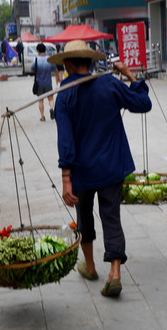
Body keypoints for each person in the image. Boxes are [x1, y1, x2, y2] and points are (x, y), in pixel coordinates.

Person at [48, 40, 152, 297]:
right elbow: (142, 103)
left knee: (84, 217)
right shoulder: (109, 84)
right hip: (111, 168)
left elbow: (65, 141)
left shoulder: (65, 96)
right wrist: (128, 74)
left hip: (82, 172)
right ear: (91, 63)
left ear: (70, 65)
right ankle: (115, 273)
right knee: (111, 217)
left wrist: (65, 179)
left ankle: (91, 267)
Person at [31, 43, 57, 121]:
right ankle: (51, 108)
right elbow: (55, 69)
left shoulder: (35, 59)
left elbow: (32, 70)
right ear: (45, 50)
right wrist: (58, 78)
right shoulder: (49, 59)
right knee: (51, 98)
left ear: (38, 50)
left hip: (39, 83)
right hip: (48, 82)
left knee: (40, 100)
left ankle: (42, 117)